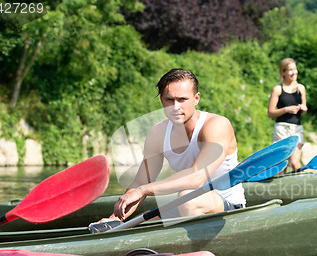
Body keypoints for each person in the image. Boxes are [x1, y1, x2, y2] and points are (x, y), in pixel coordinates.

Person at [102, 68, 246, 223]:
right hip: (183, 203)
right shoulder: (157, 133)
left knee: (187, 197)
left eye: (182, 99)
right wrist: (113, 221)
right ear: (162, 101)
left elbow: (196, 177)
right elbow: (140, 183)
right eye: (169, 100)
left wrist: (144, 189)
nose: (175, 107)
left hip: (228, 207)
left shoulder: (216, 125)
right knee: (135, 226)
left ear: (196, 98)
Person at [267, 58, 307, 171]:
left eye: (295, 69)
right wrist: (286, 109)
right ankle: (281, 187)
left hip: (297, 128)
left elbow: (303, 112)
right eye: (290, 70)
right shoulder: (277, 89)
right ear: (283, 72)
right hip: (281, 129)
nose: (294, 72)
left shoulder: (301, 88)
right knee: (282, 164)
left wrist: (304, 109)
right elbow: (270, 113)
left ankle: (302, 186)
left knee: (295, 163)